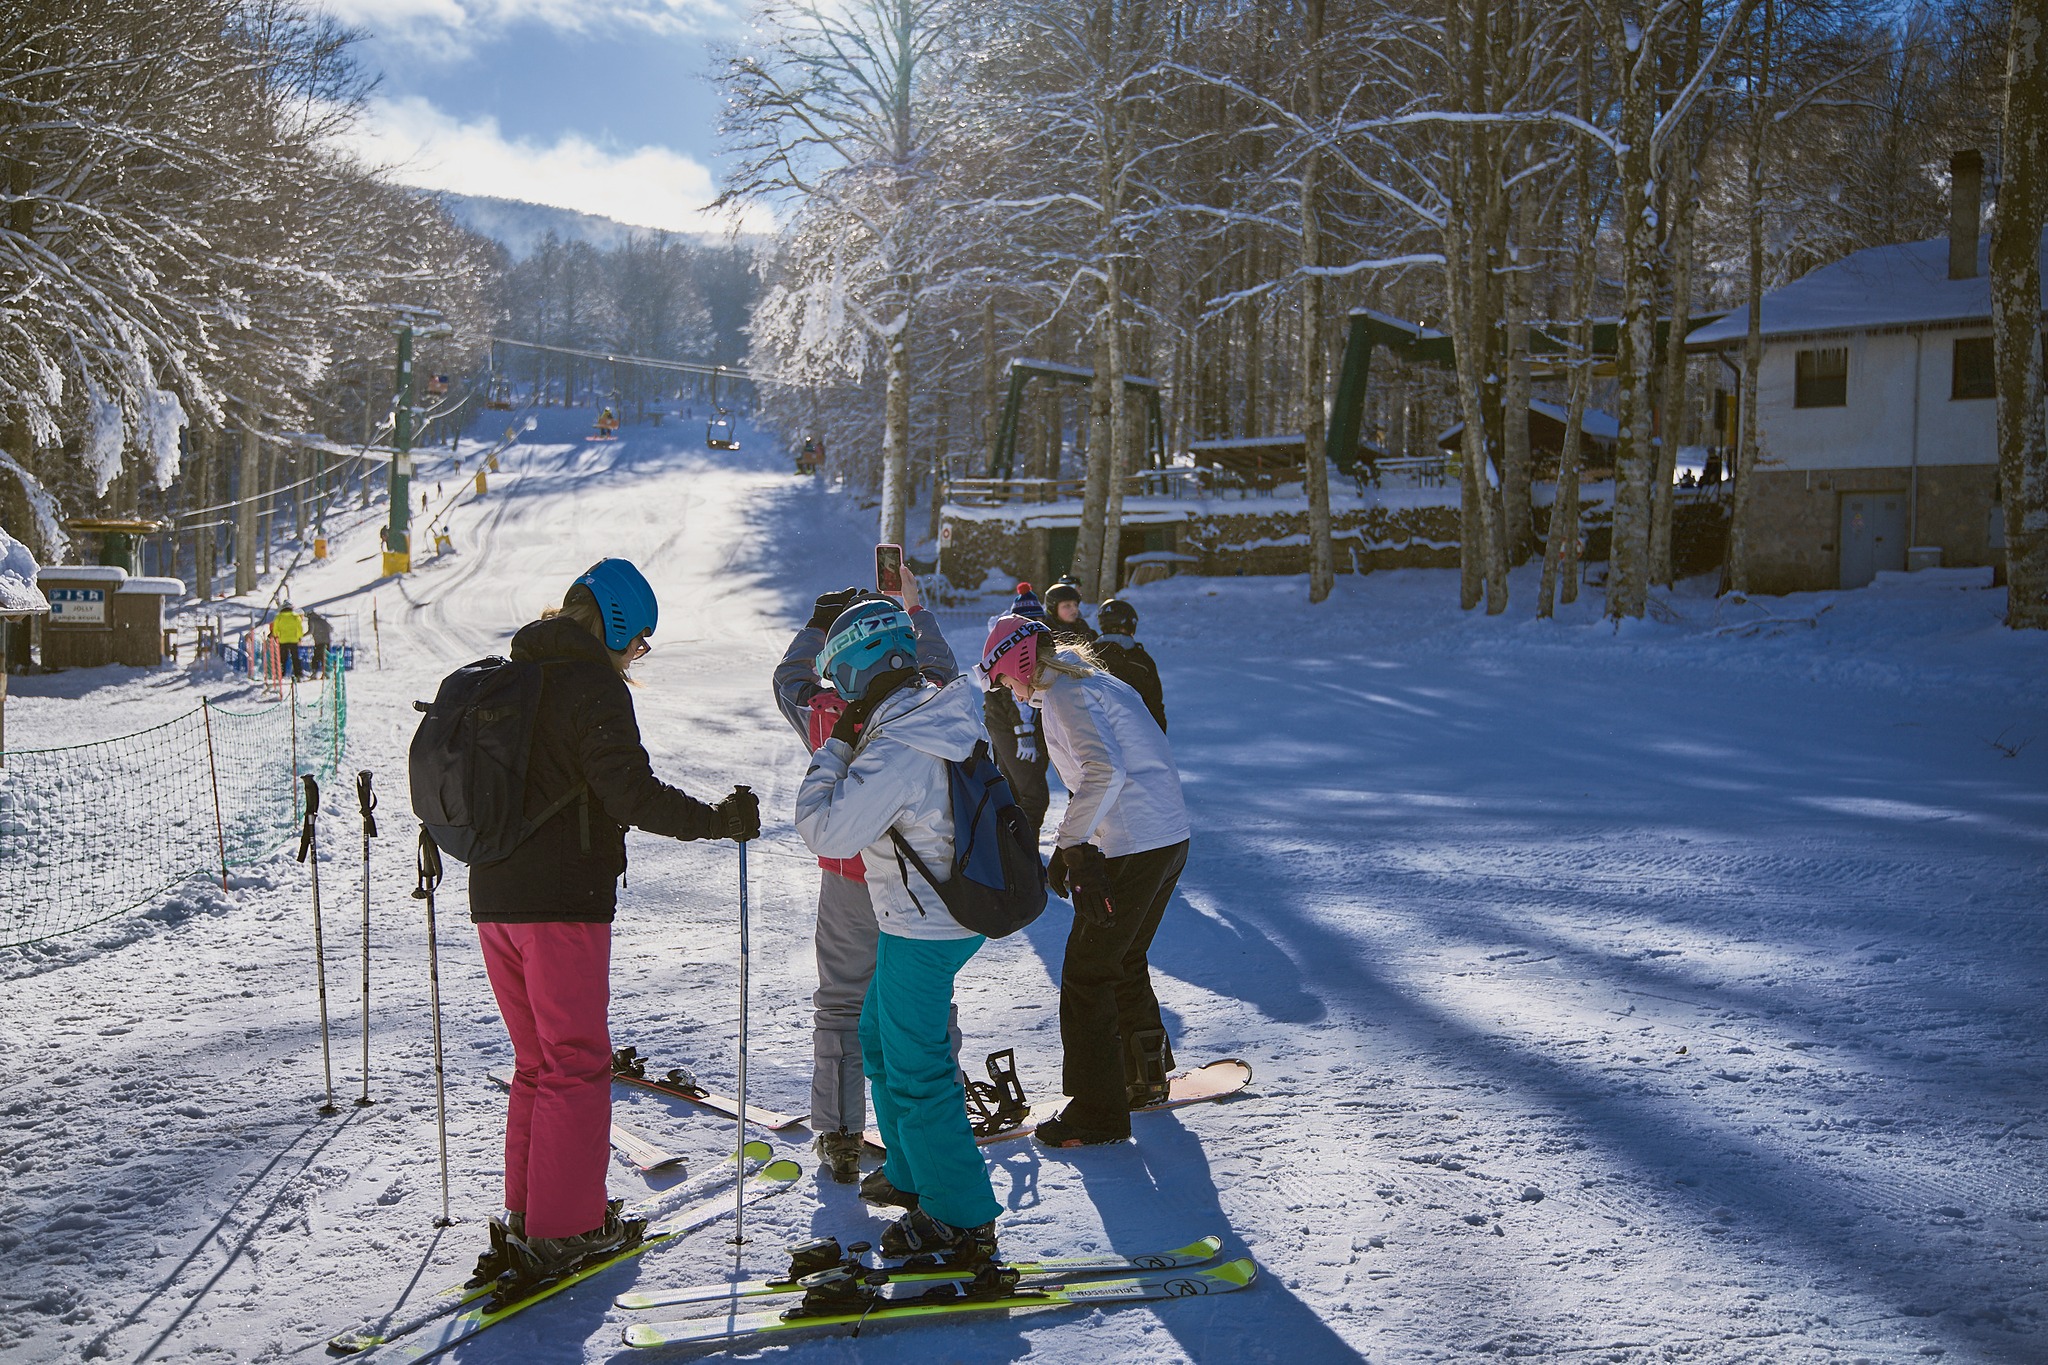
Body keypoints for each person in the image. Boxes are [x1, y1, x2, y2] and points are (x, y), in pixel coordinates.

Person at [472, 559, 760, 1281]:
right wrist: (718, 821)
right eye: (641, 641)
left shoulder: (515, 676)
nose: (638, 656)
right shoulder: (590, 685)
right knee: (575, 1063)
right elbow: (630, 792)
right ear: (620, 623)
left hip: (494, 899)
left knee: (539, 1062)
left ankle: (531, 1211)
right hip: (560, 902)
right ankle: (566, 1229)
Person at [795, 599, 1002, 1261]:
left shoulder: (897, 745)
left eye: (839, 679)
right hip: (927, 914)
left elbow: (822, 827)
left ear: (855, 670)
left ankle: (961, 1216)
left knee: (919, 1072)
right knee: (878, 1037)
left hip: (924, 925)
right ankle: (915, 1172)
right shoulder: (933, 710)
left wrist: (836, 744)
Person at [772, 569, 961, 1183]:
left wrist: (817, 625)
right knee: (921, 1005)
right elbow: (938, 662)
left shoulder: (829, 711)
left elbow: (787, 682)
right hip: (919, 881)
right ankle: (938, 1114)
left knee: (842, 1004)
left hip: (849, 880)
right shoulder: (927, 702)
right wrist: (915, 607)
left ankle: (839, 1131)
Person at [981, 614, 1189, 1148]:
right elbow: (1107, 774)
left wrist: (1074, 847)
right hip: (1165, 838)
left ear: (1018, 663)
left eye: (1003, 678)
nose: (1007, 691)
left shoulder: (1065, 693)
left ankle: (1098, 1112)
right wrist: (1078, 842)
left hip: (1138, 842)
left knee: (1086, 973)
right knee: (1123, 958)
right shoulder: (1091, 680)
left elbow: (1104, 771)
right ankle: (1142, 1078)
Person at [982, 584, 1051, 837]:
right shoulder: (1008, 649)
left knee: (1016, 793)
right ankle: (1023, 862)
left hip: (1021, 731)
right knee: (1034, 797)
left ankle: (1013, 858)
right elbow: (1008, 696)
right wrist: (1024, 733)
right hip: (1010, 730)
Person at [1092, 598, 1166, 732]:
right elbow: (1154, 704)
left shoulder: (1088, 654)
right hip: (1136, 733)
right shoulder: (1141, 660)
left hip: (1096, 732)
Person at [1041, 578, 1097, 645]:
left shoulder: (1086, 632)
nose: (1074, 609)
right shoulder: (1044, 635)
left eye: (1075, 605)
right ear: (1053, 609)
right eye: (1067, 606)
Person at [270, 601, 306, 680]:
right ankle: (298, 674)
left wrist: (277, 636)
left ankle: (280, 674)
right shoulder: (296, 617)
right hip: (294, 640)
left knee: (282, 658)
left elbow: (275, 629)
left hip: (283, 640)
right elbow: (299, 628)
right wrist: (299, 637)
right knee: (295, 658)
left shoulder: (278, 617)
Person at [305, 608, 333, 680]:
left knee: (316, 658)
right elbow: (331, 629)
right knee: (325, 657)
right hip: (327, 641)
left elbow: (311, 631)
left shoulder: (312, 620)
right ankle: (326, 673)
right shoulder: (323, 619)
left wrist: (302, 636)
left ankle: (314, 673)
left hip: (319, 642)